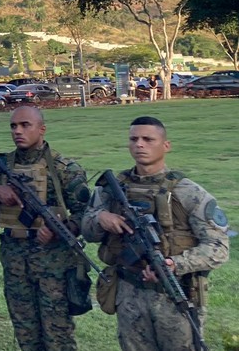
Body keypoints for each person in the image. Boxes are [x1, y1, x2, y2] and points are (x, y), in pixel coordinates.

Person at [81, 116, 230, 351]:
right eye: (134, 139)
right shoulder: (111, 189)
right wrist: (101, 219)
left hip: (176, 294)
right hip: (128, 292)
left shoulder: (189, 193)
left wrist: (174, 264)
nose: (140, 144)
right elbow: (87, 230)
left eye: (148, 139)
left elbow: (218, 248)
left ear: (165, 145)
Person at [0, 106, 91, 351]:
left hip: (54, 266)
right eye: (13, 126)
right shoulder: (0, 166)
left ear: (42, 129)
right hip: (15, 261)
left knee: (58, 336)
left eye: (25, 125)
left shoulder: (64, 169)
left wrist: (62, 228)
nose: (18, 131)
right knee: (25, 333)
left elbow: (85, 215)